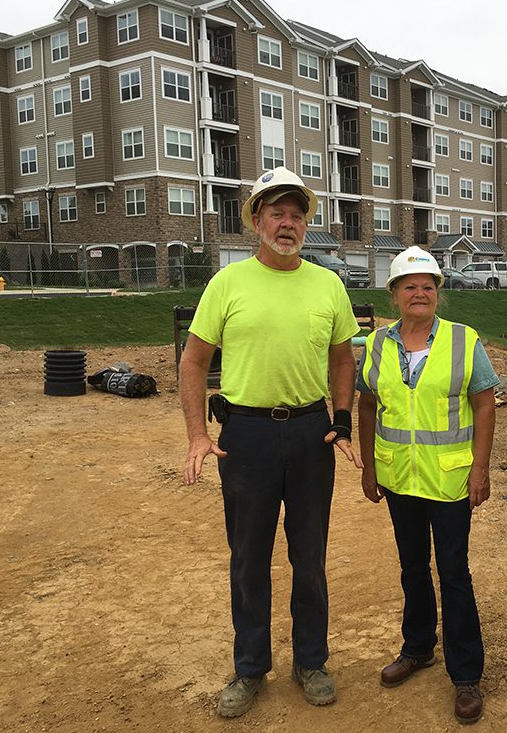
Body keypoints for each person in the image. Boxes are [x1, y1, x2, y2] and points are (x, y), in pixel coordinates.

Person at [179, 167, 362, 719]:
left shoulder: (327, 284)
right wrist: (196, 433)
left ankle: (311, 661)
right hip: (247, 437)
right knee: (249, 557)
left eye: (297, 214)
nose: (287, 223)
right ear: (256, 220)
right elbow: (193, 361)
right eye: (276, 213)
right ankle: (250, 667)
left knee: (310, 556)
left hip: (310, 432)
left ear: (307, 223)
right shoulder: (227, 284)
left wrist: (344, 420)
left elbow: (340, 358)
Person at [357, 246, 498, 725]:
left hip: (451, 480)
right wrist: (369, 466)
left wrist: (480, 469)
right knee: (412, 567)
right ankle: (418, 648)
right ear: (394, 294)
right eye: (410, 286)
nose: (420, 293)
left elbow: (484, 405)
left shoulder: (463, 341)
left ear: (438, 293)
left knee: (454, 574)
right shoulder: (376, 344)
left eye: (428, 286)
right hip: (400, 478)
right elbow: (368, 405)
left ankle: (466, 675)